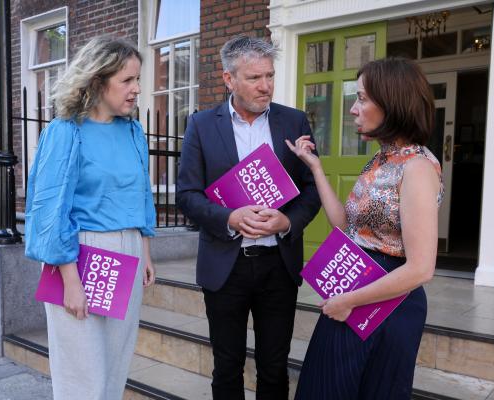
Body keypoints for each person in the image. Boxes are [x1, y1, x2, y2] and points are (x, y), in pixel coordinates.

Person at [287, 57, 443, 399]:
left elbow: (421, 268)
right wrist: (315, 168)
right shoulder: (381, 160)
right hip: (357, 288)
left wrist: (348, 301)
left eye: (362, 98)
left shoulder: (417, 168)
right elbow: (347, 225)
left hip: (388, 300)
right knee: (324, 386)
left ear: (391, 102)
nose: (354, 109)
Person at [176, 36, 321, 400]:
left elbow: (313, 188)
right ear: (229, 79)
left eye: (270, 76)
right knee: (227, 366)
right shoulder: (202, 125)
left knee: (275, 366)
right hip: (226, 266)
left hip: (278, 264)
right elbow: (187, 195)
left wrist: (288, 223)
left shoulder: (293, 120)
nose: (266, 86)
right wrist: (230, 216)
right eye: (255, 77)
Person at [24, 36, 156, 400]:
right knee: (82, 375)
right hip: (79, 253)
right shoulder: (65, 131)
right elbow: (50, 209)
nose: (137, 89)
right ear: (98, 81)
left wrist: (144, 249)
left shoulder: (133, 130)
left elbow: (141, 194)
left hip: (126, 249)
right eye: (127, 80)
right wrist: (70, 281)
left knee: (114, 368)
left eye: (137, 79)